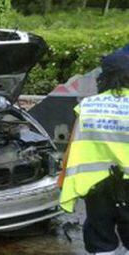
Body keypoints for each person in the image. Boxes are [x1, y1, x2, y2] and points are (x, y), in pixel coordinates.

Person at [59, 45, 129, 254]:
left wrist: (63, 178)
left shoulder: (88, 106)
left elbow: (72, 145)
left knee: (100, 239)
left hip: (96, 186)